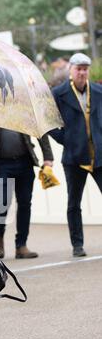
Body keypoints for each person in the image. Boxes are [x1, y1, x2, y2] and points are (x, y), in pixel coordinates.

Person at [0, 123, 53, 259]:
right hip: (0, 164)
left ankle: (21, 245)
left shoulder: (23, 104)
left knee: (25, 203)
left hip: (25, 161)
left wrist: (48, 156)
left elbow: (39, 127)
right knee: (3, 203)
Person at [49, 52, 102, 257]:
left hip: (99, 156)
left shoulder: (98, 91)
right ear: (70, 70)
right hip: (74, 157)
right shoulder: (59, 93)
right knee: (74, 203)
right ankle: (77, 245)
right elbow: (51, 122)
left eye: (85, 69)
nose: (82, 72)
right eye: (78, 68)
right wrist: (67, 140)